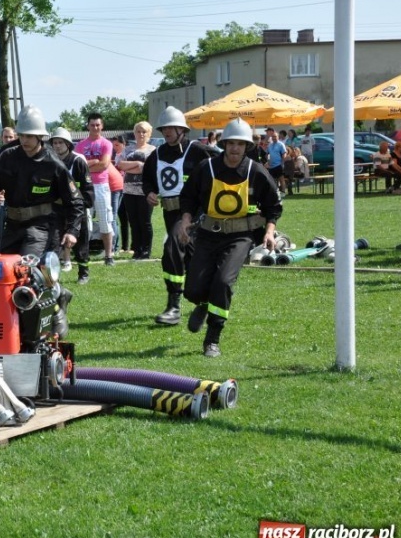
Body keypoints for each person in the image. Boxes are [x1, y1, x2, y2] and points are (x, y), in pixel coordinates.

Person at [178, 118, 282, 357]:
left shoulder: (256, 171)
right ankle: (203, 303)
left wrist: (269, 231)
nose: (235, 148)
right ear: (224, 144)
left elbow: (274, 206)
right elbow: (188, 197)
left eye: (240, 144)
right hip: (207, 235)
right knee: (193, 290)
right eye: (231, 143)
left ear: (247, 147)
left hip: (240, 237)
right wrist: (185, 220)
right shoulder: (206, 167)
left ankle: (212, 339)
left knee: (223, 282)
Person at [0, 105, 83, 336]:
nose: (24, 140)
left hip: (42, 227)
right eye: (22, 135)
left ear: (40, 136)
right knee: (3, 274)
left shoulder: (54, 164)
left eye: (29, 136)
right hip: (12, 225)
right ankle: (18, 317)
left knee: (29, 274)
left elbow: (76, 201)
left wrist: (72, 231)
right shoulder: (7, 156)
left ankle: (55, 313)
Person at [142, 106, 215, 326]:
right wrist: (149, 192)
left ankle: (173, 306)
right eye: (164, 128)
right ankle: (203, 300)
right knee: (192, 259)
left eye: (171, 128)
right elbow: (148, 178)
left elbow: (220, 168)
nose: (166, 132)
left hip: (193, 213)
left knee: (172, 248)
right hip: (170, 212)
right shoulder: (157, 154)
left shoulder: (198, 151)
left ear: (181, 129)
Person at [49, 127, 93, 283]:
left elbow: (87, 188)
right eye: (55, 143)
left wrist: (83, 204)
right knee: (54, 242)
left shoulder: (78, 161)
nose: (57, 146)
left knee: (81, 242)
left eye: (60, 142)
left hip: (77, 209)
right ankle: (52, 276)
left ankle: (83, 273)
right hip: (57, 209)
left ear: (68, 144)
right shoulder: (50, 161)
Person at [75, 112, 114, 265]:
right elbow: (78, 167)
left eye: (98, 125)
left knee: (105, 221)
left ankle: (109, 255)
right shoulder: (80, 145)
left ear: (102, 126)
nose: (95, 127)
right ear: (88, 126)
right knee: (86, 222)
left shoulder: (106, 144)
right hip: (85, 187)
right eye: (92, 125)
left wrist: (87, 165)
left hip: (101, 186)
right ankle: (84, 254)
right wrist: (94, 162)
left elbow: (104, 164)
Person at [115, 121, 156, 260]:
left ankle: (146, 250)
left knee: (145, 221)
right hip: (128, 191)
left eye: (144, 131)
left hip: (145, 191)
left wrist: (132, 167)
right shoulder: (127, 149)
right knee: (133, 222)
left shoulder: (153, 150)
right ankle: (136, 249)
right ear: (134, 133)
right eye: (138, 131)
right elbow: (120, 165)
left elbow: (149, 169)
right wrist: (138, 164)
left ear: (149, 134)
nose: (141, 134)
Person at [106, 136, 125, 255]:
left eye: (117, 145)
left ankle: (113, 248)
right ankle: (115, 246)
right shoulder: (110, 157)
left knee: (112, 217)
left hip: (115, 187)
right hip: (117, 185)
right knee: (113, 216)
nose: (114, 148)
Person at [265, 128, 287, 194]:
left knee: (281, 179)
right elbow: (267, 154)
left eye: (275, 136)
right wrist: (268, 160)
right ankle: (274, 192)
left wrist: (282, 163)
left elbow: (284, 154)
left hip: (278, 165)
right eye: (273, 137)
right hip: (271, 166)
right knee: (272, 180)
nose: (274, 138)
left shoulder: (281, 144)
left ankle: (283, 192)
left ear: (278, 137)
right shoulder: (270, 145)